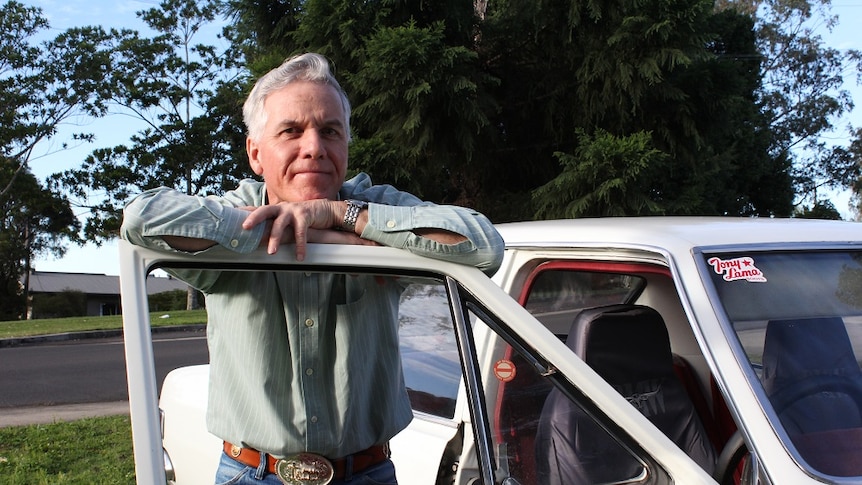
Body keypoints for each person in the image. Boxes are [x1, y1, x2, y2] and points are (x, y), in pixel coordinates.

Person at [120, 52, 504, 485]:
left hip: (368, 473)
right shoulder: (235, 208)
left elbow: (483, 245)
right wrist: (292, 228)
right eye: (292, 131)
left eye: (330, 131)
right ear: (256, 153)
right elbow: (142, 219)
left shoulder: (375, 206)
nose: (314, 147)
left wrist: (338, 215)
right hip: (251, 474)